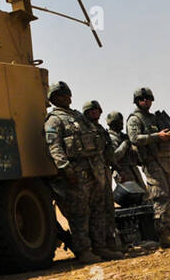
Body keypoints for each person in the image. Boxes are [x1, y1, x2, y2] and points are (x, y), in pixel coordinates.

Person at [43, 82, 104, 264]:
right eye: (60, 95)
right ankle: (84, 250)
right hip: (75, 172)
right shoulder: (53, 120)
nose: (65, 97)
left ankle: (100, 246)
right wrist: (66, 169)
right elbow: (54, 147)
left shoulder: (79, 116)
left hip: (93, 169)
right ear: (53, 99)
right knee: (79, 213)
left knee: (97, 210)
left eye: (67, 93)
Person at [125, 87, 170, 248]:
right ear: (137, 101)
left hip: (166, 161)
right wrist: (156, 136)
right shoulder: (134, 119)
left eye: (148, 98)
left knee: (169, 197)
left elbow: (164, 138)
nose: (145, 101)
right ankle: (163, 235)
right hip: (151, 163)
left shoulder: (154, 118)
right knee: (161, 197)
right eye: (142, 99)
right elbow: (134, 138)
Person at [81, 100, 124, 259]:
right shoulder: (83, 129)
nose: (94, 113)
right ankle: (97, 246)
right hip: (91, 174)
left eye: (96, 110)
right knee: (96, 211)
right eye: (90, 111)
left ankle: (110, 244)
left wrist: (117, 167)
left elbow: (108, 153)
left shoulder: (101, 130)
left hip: (104, 172)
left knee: (108, 209)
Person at [106, 111, 146, 192]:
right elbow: (114, 157)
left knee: (143, 195)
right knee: (130, 196)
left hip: (133, 169)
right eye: (117, 122)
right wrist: (125, 144)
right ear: (111, 124)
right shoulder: (109, 138)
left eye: (121, 122)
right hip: (121, 171)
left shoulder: (123, 136)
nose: (121, 124)